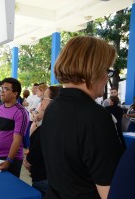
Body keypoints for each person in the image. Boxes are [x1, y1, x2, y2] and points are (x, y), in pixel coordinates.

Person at [40, 36, 124, 199]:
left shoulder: (53, 107)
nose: (107, 77)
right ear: (93, 70)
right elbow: (110, 191)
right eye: (107, 70)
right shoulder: (95, 117)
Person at [24, 86, 60, 197]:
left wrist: (28, 161)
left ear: (53, 102)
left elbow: (32, 157)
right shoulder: (61, 125)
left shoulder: (47, 128)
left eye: (44, 97)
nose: (41, 100)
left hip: (43, 178)